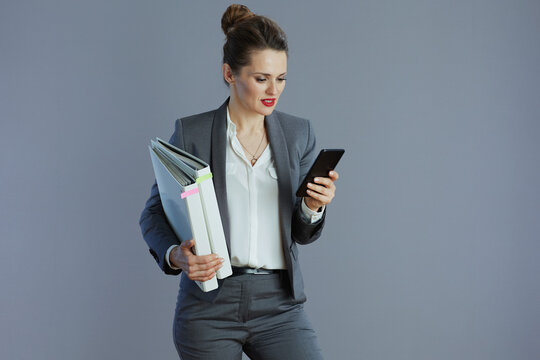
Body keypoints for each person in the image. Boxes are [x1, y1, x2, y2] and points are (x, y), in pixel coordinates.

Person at [139, 4, 339, 360]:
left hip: (279, 304)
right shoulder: (192, 133)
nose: (273, 90)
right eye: (261, 78)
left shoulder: (298, 134)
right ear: (229, 73)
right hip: (209, 304)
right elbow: (155, 212)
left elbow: (302, 233)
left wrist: (312, 207)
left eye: (281, 78)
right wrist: (176, 257)